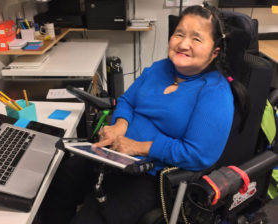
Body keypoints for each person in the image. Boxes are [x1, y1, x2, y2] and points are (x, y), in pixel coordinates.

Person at [38, 3, 249, 224]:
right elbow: (128, 101)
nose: (184, 44)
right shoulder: (160, 68)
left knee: (91, 216)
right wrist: (119, 126)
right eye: (179, 34)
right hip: (115, 154)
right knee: (62, 176)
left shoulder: (215, 93)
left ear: (214, 52)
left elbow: (198, 154)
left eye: (196, 39)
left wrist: (139, 147)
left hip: (151, 176)